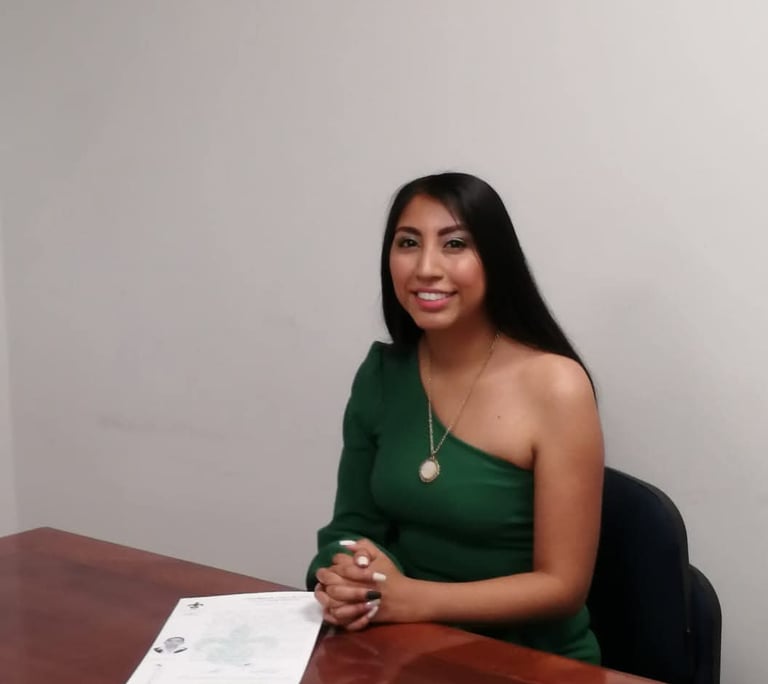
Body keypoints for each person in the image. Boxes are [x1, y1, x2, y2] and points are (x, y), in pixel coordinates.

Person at [306, 172, 604, 664]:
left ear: (495, 259)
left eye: (455, 244)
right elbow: (351, 526)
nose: (426, 268)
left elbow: (562, 586)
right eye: (408, 243)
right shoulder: (381, 375)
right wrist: (347, 577)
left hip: (528, 662)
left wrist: (412, 599)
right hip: (402, 648)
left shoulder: (556, 385)